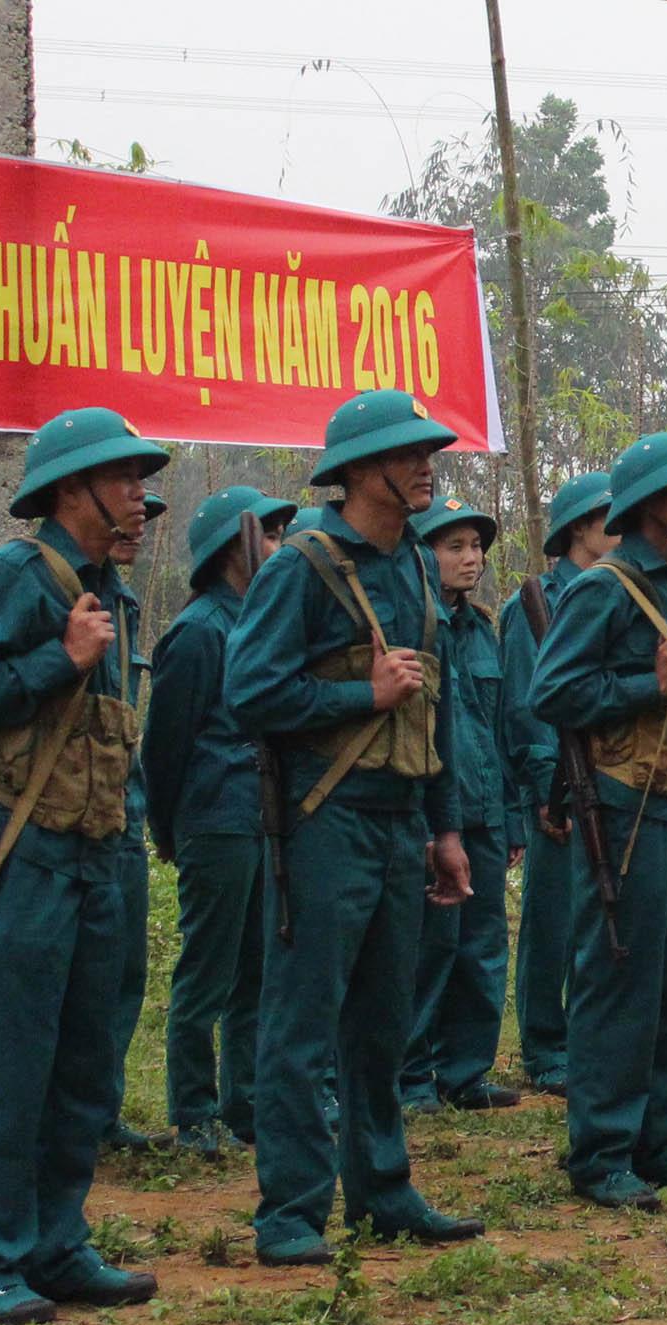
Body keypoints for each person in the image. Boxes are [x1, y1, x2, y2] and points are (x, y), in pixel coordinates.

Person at [224, 388, 483, 1266]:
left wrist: (445, 829)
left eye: (427, 452)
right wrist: (357, 695)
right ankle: (290, 1214)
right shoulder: (301, 566)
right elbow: (249, 694)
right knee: (302, 1025)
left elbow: (434, 703)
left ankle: (383, 1190)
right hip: (323, 819)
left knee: (382, 1022)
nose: (426, 465)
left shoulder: (412, 564)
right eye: (407, 454)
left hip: (400, 816)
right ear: (357, 471)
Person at [0, 408, 167, 1321]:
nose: (138, 497)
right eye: (121, 481)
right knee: (6, 1060)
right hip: (18, 858)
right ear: (70, 490)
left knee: (85, 1062)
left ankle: (57, 1242)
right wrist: (57, 658)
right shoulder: (13, 575)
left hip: (94, 852)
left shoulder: (109, 588)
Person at [528, 432, 667, 1210]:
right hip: (623, 814)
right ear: (653, 504)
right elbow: (554, 694)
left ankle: (656, 1140)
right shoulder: (604, 589)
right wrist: (641, 684)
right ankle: (601, 1152)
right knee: (620, 982)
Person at [144, 484, 293, 1156]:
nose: (281, 547)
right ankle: (195, 1113)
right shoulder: (198, 633)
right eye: (271, 535)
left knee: (256, 973)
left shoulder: (257, 625)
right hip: (217, 822)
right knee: (206, 973)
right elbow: (165, 746)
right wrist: (171, 830)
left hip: (259, 822)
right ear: (237, 547)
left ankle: (247, 1107)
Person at [399, 498, 519, 1114]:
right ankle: (412, 1077)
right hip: (428, 815)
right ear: (422, 554)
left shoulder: (483, 628)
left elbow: (500, 727)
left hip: (485, 813)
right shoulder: (412, 627)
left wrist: (513, 813)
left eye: (476, 546)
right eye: (455, 547)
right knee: (428, 947)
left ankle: (464, 1072)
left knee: (483, 945)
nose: (471, 559)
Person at [499, 472, 615, 1095]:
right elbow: (525, 701)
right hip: (555, 784)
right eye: (607, 518)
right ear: (578, 529)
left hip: (610, 777)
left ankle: (585, 1040)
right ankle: (545, 1046)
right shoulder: (535, 603)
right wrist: (548, 785)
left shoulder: (616, 590)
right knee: (549, 920)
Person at [99, 488, 161, 1153]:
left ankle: (101, 1113)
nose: (136, 528)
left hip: (123, 818)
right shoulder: (46, 589)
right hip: (63, 825)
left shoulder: (127, 605)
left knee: (121, 977)